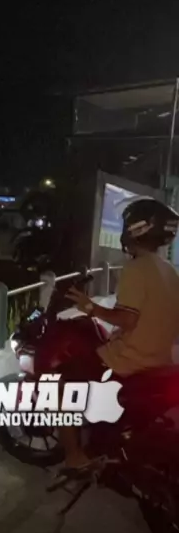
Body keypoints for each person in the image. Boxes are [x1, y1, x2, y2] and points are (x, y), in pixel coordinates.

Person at [60, 197, 179, 471]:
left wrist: (90, 307)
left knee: (62, 383)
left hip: (128, 360)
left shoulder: (136, 268)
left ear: (135, 230)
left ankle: (74, 456)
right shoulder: (171, 272)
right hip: (160, 360)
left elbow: (127, 319)